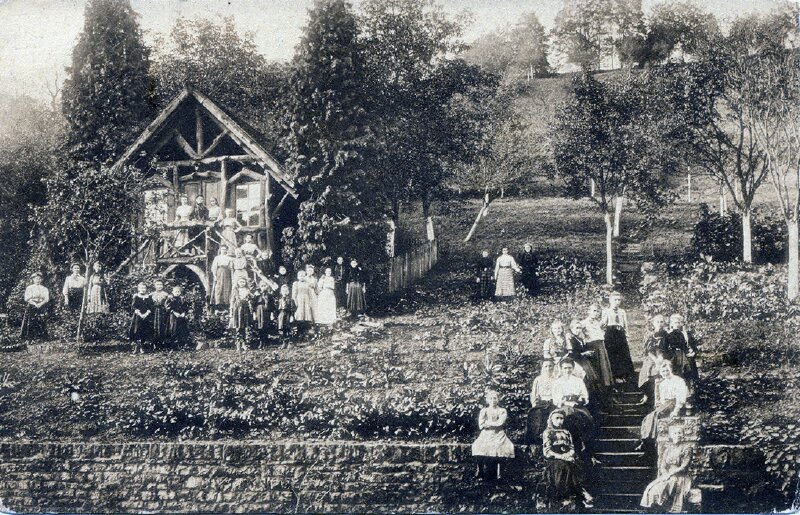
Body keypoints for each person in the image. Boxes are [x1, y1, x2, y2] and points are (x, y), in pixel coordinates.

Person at [543, 410, 594, 508]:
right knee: (565, 466)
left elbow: (571, 448)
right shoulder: (548, 432)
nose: (559, 421)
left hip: (567, 457)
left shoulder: (566, 432)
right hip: (554, 459)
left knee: (579, 465)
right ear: (551, 420)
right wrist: (562, 457)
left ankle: (581, 493)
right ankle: (579, 494)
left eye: (561, 418)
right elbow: (547, 451)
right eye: (557, 418)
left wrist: (569, 455)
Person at [638, 361, 688, 456]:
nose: (665, 373)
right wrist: (659, 405)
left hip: (674, 403)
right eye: (663, 371)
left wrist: (676, 410)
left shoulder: (679, 381)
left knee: (656, 415)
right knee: (648, 417)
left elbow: (681, 398)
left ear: (671, 370)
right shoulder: (663, 384)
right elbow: (662, 400)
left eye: (667, 370)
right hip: (666, 405)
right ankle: (646, 440)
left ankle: (648, 441)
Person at [552, 359, 597, 464]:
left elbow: (585, 396)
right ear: (561, 369)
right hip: (563, 407)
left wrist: (579, 400)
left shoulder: (578, 381)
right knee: (567, 418)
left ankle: (586, 448)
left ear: (573, 368)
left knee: (586, 419)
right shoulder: (557, 382)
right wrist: (566, 401)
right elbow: (556, 399)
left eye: (569, 368)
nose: (567, 370)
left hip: (578, 407)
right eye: (565, 368)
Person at [640, 425, 693, 513]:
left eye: (680, 433)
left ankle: (665, 507)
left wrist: (670, 474)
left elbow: (684, 467)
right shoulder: (668, 449)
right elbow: (663, 465)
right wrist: (665, 475)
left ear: (683, 435)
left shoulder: (687, 448)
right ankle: (655, 508)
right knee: (653, 488)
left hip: (680, 476)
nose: (677, 435)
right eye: (675, 433)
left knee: (669, 486)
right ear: (671, 435)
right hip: (667, 475)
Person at [471, 389, 515, 481]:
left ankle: (500, 472)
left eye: (495, 398)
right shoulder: (484, 410)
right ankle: (480, 470)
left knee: (505, 447)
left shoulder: (502, 411)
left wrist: (488, 423)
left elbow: (500, 423)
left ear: (498, 399)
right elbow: (481, 425)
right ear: (487, 400)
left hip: (498, 434)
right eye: (491, 398)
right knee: (477, 446)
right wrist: (490, 424)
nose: (493, 400)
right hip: (486, 434)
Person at [601, 291, 635, 385]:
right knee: (613, 355)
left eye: (619, 300)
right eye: (615, 300)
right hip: (611, 335)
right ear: (610, 301)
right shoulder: (606, 311)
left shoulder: (622, 312)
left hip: (620, 334)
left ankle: (625, 376)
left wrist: (626, 335)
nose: (617, 302)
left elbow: (625, 324)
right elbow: (603, 325)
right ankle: (615, 376)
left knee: (623, 354)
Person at [638, 315, 670, 407]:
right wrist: (656, 360)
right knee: (653, 371)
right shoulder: (650, 335)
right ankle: (650, 397)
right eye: (657, 322)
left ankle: (663, 399)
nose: (660, 324)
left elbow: (666, 349)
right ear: (653, 323)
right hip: (652, 357)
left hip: (663, 356)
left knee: (664, 372)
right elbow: (648, 351)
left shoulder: (666, 335)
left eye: (661, 322)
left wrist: (661, 358)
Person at [581, 304, 614, 388]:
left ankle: (605, 385)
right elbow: (575, 331)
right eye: (594, 311)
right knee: (595, 366)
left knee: (603, 365)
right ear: (589, 311)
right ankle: (596, 386)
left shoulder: (598, 323)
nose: (596, 313)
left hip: (601, 345)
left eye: (598, 311)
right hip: (591, 345)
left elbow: (601, 333)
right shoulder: (583, 323)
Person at [665, 314, 700, 389]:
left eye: (679, 322)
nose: (677, 324)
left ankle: (690, 389)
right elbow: (666, 347)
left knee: (690, 373)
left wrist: (693, 351)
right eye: (675, 323)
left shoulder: (686, 334)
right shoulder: (669, 335)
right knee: (678, 373)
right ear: (671, 324)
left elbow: (693, 345)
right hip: (675, 356)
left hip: (687, 355)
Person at [527, 360, 556, 447]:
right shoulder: (538, 380)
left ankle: (552, 441)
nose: (548, 368)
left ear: (553, 367)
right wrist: (535, 404)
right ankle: (536, 442)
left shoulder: (556, 379)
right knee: (537, 416)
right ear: (542, 368)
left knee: (553, 416)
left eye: (550, 366)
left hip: (553, 403)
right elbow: (534, 394)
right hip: (541, 403)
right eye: (546, 366)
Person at [20, 272, 50, 340]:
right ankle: (29, 337)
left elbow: (46, 299)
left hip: (42, 305)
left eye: (39, 279)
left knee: (41, 320)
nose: (38, 280)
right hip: (32, 305)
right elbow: (27, 298)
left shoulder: (44, 288)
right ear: (33, 279)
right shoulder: (30, 288)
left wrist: (40, 304)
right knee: (31, 321)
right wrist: (35, 304)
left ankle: (41, 337)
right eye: (36, 279)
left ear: (41, 280)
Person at [229, 277, 253, 351]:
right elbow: (232, 301)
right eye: (240, 282)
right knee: (238, 326)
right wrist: (231, 311)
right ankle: (238, 343)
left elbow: (251, 298)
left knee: (245, 326)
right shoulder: (235, 290)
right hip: (238, 308)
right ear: (238, 282)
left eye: (243, 282)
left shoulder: (247, 290)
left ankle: (244, 343)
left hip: (245, 308)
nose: (242, 283)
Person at [128, 282, 153, 354]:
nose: (143, 289)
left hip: (146, 316)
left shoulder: (148, 297)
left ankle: (142, 346)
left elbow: (151, 307)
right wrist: (140, 314)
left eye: (144, 288)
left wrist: (146, 314)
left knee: (144, 330)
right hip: (138, 317)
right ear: (138, 289)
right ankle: (136, 346)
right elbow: (134, 307)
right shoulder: (136, 297)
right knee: (137, 330)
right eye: (141, 288)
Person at [252, 280, 275, 348]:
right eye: (262, 286)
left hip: (266, 311)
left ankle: (265, 342)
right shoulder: (257, 295)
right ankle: (261, 341)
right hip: (259, 311)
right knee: (260, 326)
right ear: (260, 287)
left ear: (267, 286)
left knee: (266, 326)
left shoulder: (269, 295)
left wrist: (272, 314)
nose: (263, 287)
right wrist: (254, 314)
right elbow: (254, 305)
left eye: (264, 286)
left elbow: (272, 305)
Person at [292, 270, 315, 334]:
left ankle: (306, 330)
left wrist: (310, 301)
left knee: (307, 313)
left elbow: (310, 294)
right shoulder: (296, 284)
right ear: (298, 277)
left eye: (303, 276)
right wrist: (295, 302)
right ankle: (300, 330)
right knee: (300, 313)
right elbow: (294, 294)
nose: (302, 277)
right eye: (300, 276)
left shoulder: (307, 284)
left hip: (306, 300)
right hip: (299, 300)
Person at [150, 279, 169, 349]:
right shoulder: (151, 295)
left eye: (161, 284)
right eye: (157, 285)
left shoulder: (166, 294)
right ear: (154, 286)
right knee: (154, 326)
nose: (159, 286)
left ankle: (162, 343)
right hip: (154, 312)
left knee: (162, 326)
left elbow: (168, 304)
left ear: (163, 285)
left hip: (163, 312)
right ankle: (154, 343)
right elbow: (149, 305)